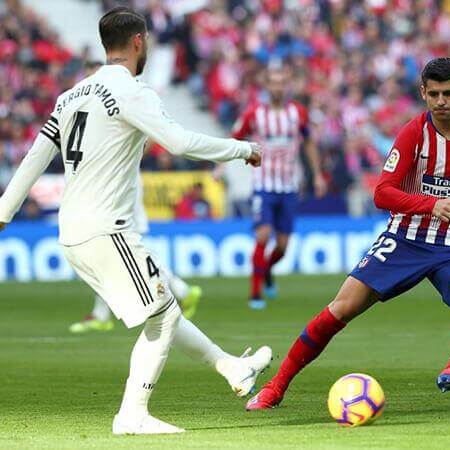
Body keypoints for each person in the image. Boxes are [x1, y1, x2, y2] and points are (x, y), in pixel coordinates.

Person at [0, 7, 271, 434]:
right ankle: (132, 415)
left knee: (161, 308)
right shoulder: (131, 92)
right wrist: (242, 148)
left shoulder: (71, 95)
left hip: (72, 233)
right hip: (107, 229)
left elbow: (36, 157)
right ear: (139, 41)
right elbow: (179, 141)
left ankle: (231, 368)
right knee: (162, 315)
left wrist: (3, 213)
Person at [246, 57, 450, 410]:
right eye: (433, 94)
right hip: (404, 240)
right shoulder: (413, 133)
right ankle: (275, 387)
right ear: (422, 93)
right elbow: (382, 193)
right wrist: (430, 204)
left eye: (448, 93)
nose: (440, 102)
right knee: (340, 310)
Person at [231, 66, 326, 310]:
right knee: (262, 235)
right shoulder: (255, 114)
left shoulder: (298, 113)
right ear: (267, 86)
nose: (277, 87)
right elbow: (235, 137)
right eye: (273, 82)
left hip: (289, 186)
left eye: (281, 82)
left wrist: (317, 175)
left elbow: (309, 143)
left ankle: (267, 271)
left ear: (287, 85)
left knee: (282, 247)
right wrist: (233, 159)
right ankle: (255, 294)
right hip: (264, 184)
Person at [70, 171, 203, 333]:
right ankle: (101, 315)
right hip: (118, 199)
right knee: (115, 260)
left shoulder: (118, 160)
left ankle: (181, 290)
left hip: (119, 205)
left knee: (124, 259)